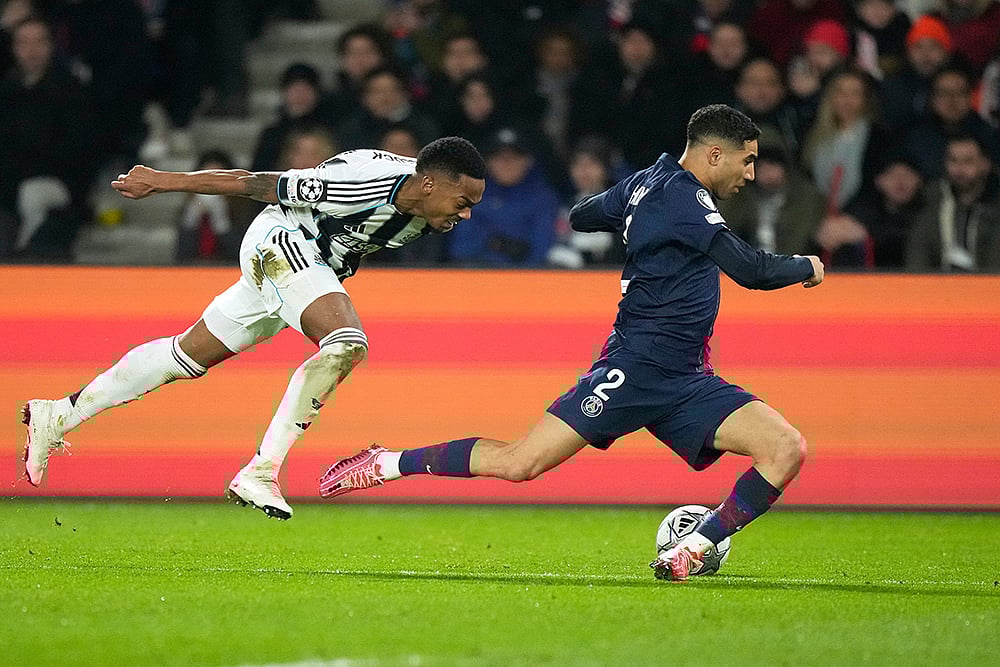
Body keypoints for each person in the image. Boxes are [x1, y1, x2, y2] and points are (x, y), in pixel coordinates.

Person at [319, 105, 824, 581]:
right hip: (634, 368)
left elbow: (583, 214)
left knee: (785, 448)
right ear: (715, 154)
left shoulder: (648, 184)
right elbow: (751, 271)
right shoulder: (681, 197)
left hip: (688, 378)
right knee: (521, 463)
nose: (751, 173)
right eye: (747, 160)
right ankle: (386, 462)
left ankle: (693, 547)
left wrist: (634, 214)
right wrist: (807, 265)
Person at [20, 136, 486, 521]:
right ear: (428, 184)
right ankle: (262, 470)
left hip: (309, 266)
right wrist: (164, 181)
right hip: (282, 241)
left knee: (185, 356)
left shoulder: (430, 209)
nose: (466, 215)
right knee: (345, 344)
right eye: (463, 203)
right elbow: (256, 183)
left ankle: (59, 414)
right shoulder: (361, 184)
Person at [906, 133, 1000, 271]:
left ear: (985, 165)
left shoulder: (996, 210)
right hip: (937, 284)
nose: (959, 169)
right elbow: (916, 264)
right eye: (953, 160)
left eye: (968, 161)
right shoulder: (929, 206)